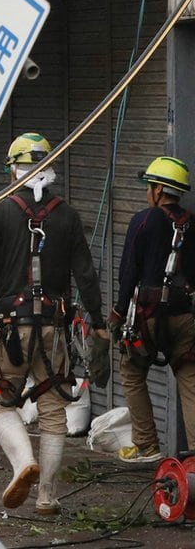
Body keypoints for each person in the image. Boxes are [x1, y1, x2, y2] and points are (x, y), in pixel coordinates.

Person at [0, 132, 109, 515]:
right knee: (53, 411)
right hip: (55, 331)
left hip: (11, 330)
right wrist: (100, 326)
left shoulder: (0, 212)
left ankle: (23, 464)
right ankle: (47, 497)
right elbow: (86, 277)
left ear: (13, 170)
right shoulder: (68, 216)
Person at [108, 156, 195, 462]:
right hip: (185, 317)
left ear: (158, 190)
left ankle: (146, 445)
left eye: (149, 186)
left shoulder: (143, 220)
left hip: (147, 318)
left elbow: (128, 272)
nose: (148, 192)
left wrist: (118, 313)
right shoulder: (193, 223)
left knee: (132, 372)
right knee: (189, 378)